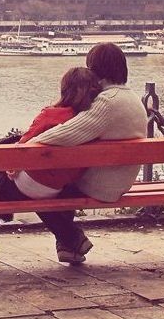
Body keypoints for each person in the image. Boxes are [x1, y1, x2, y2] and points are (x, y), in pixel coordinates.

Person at [0, 66, 103, 269]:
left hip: (30, 184)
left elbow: (22, 147)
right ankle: (71, 238)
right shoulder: (89, 122)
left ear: (65, 90)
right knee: (31, 194)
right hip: (58, 188)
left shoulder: (50, 115)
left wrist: (13, 165)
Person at [28, 42, 148, 263]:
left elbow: (66, 134)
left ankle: (72, 239)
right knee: (56, 181)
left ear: (96, 70)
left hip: (103, 186)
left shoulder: (107, 102)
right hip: (123, 178)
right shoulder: (132, 98)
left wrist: (25, 148)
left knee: (40, 189)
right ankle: (69, 246)